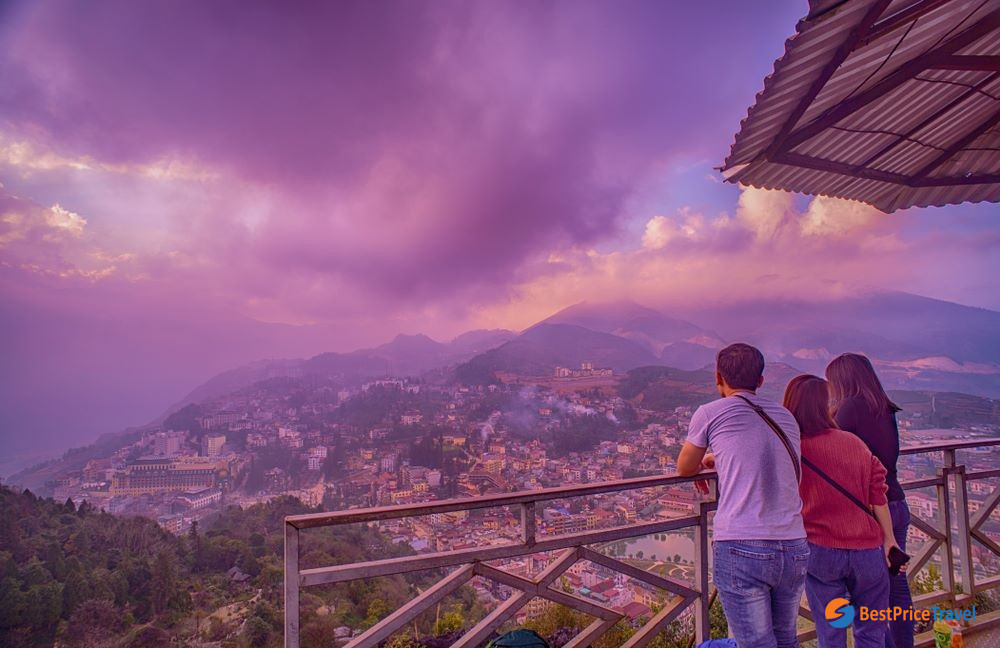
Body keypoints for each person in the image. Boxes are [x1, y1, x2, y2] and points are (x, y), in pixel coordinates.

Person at [678, 343, 808, 648]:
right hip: (794, 544)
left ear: (718, 377)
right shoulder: (785, 416)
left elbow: (685, 467)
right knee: (785, 639)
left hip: (742, 544)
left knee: (754, 643)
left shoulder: (710, 412)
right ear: (761, 380)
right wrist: (717, 458)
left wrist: (708, 458)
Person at [784, 374, 901, 648]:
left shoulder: (794, 449)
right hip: (867, 552)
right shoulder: (854, 443)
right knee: (871, 631)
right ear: (826, 404)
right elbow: (878, 493)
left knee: (832, 632)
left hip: (822, 552)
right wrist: (889, 540)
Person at [826, 353, 913, 648]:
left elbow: (828, 450)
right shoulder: (883, 407)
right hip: (897, 502)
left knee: (868, 593)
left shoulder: (849, 409)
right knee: (895, 587)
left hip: (873, 510)